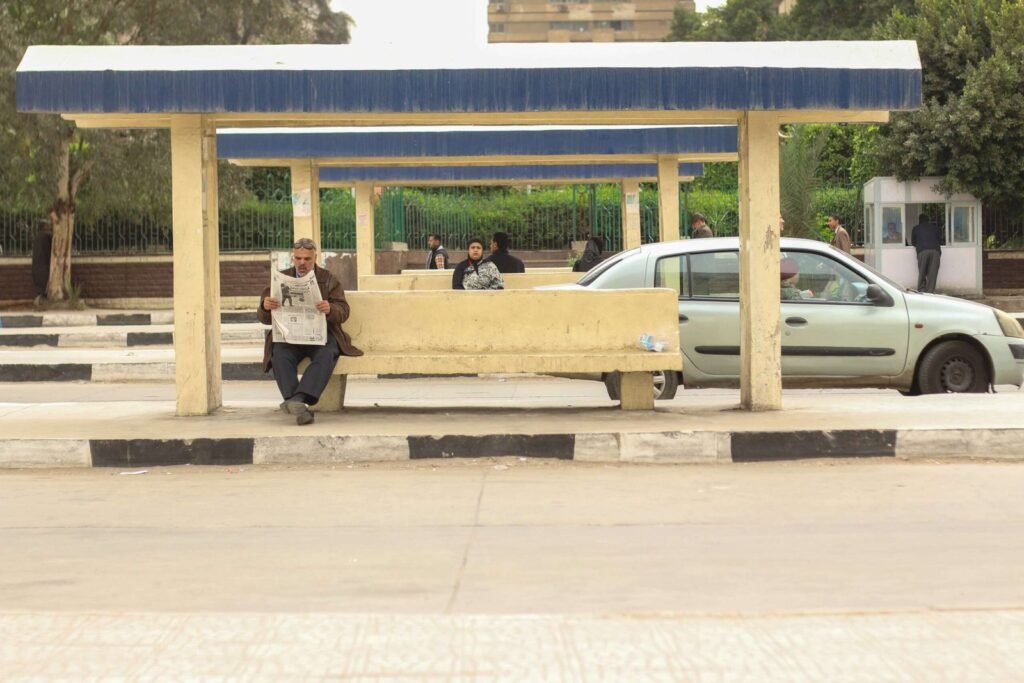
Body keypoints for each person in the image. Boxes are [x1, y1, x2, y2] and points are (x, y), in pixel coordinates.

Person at [258, 238, 363, 425]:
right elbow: (264, 318)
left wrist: (330, 308)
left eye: (307, 259)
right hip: (290, 336)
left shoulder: (329, 280)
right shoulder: (281, 279)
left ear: (315, 257)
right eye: (298, 258)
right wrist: (266, 307)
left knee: (328, 353)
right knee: (279, 354)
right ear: (293, 257)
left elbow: (344, 311)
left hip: (321, 335)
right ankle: (298, 404)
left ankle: (295, 400)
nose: (302, 263)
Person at [910, 213, 944, 293]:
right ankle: (930, 292)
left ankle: (922, 290)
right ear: (928, 220)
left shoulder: (916, 228)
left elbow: (913, 242)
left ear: (919, 220)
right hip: (935, 251)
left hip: (922, 251)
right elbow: (941, 240)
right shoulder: (935, 228)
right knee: (933, 273)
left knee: (922, 271)